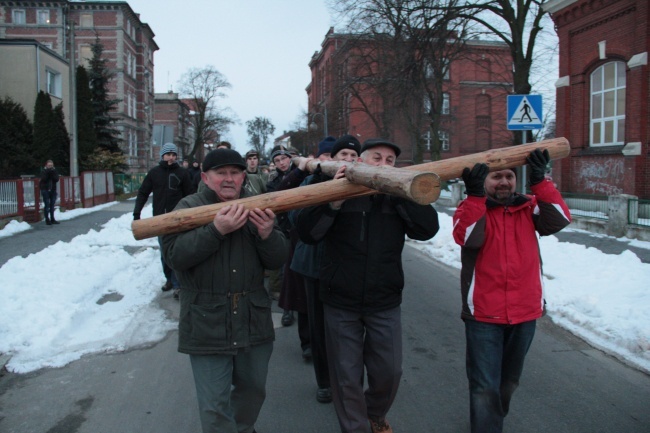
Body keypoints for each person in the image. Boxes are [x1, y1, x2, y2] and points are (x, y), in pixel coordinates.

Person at [295, 138, 440, 433]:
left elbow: (427, 229)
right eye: (377, 158)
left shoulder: (399, 195)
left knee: (389, 372)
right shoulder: (336, 188)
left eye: (390, 161)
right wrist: (334, 199)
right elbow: (308, 233)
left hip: (384, 300)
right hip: (339, 300)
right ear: (359, 162)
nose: (384, 165)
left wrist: (401, 194)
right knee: (346, 377)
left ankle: (374, 413)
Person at [161, 148, 289, 433]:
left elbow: (278, 259)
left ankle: (243, 429)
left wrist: (268, 235)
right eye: (221, 173)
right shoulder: (187, 207)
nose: (229, 179)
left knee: (254, 390)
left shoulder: (258, 205)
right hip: (206, 321)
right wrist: (215, 230)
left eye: (235, 173)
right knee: (214, 406)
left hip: (252, 318)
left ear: (244, 176)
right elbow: (175, 258)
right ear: (206, 178)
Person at [453, 149, 571, 433]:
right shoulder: (470, 208)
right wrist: (475, 196)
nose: (503, 182)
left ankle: (491, 416)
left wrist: (540, 181)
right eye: (496, 177)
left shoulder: (530, 208)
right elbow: (468, 238)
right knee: (484, 385)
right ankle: (486, 424)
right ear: (485, 181)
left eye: (508, 176)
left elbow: (560, 220)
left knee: (509, 382)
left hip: (524, 312)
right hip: (483, 314)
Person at [289, 134, 362, 404]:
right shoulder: (313, 180)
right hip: (314, 265)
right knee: (319, 328)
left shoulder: (362, 185)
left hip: (345, 269)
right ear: (332, 159)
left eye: (354, 156)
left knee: (347, 330)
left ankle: (348, 380)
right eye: (343, 155)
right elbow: (296, 218)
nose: (348, 161)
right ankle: (324, 381)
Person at [133, 143, 192, 298]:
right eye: (168, 154)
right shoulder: (154, 173)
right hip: (160, 220)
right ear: (162, 156)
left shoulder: (182, 173)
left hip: (178, 219)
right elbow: (143, 193)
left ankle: (179, 285)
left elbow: (190, 195)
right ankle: (169, 280)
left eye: (174, 154)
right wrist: (136, 213)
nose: (171, 157)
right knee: (165, 253)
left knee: (178, 252)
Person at [39, 159, 60, 225]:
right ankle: (47, 219)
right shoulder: (43, 171)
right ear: (46, 165)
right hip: (45, 190)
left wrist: (52, 173)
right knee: (47, 205)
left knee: (52, 205)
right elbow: (44, 179)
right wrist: (48, 173)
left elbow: (56, 179)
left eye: (51, 165)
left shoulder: (54, 171)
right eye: (49, 165)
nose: (50, 166)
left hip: (53, 190)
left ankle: (52, 219)